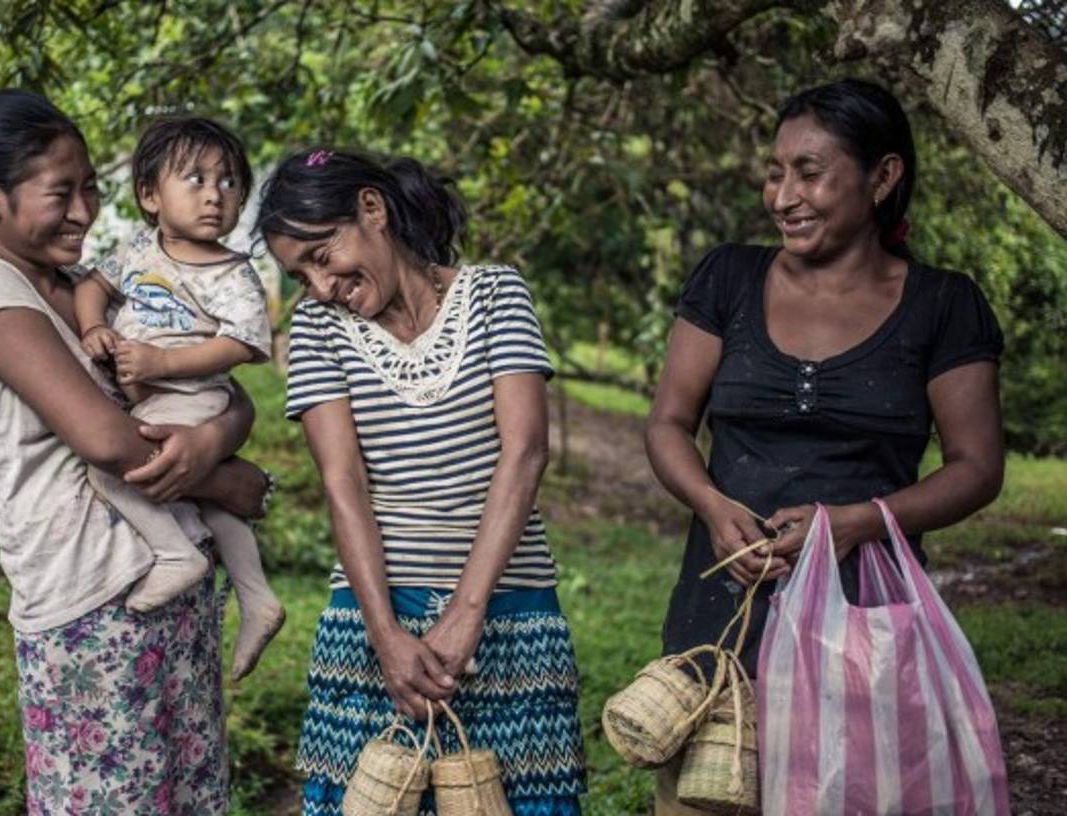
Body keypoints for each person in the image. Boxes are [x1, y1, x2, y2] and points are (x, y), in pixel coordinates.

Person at [0, 89, 270, 814]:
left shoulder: (84, 290)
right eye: (60, 193)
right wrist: (225, 476)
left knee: (188, 796)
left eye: (90, 190)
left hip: (172, 582)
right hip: (88, 604)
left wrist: (211, 439)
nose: (83, 211)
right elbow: (108, 440)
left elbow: (230, 396)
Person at [258, 149, 587, 815]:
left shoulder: (497, 293)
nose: (320, 286)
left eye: (322, 255)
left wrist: (467, 613)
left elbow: (523, 454)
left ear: (372, 211)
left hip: (509, 613)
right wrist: (385, 637)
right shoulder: (320, 330)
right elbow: (342, 482)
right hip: (376, 621)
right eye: (301, 273)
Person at [647, 78, 1004, 676]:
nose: (784, 197)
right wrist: (710, 504)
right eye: (774, 173)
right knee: (723, 770)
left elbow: (977, 468)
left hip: (865, 622)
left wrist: (858, 521)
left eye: (809, 173)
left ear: (883, 178)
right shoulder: (728, 278)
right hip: (721, 617)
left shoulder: (943, 305)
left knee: (849, 771)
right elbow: (668, 422)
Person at [74, 116, 284, 679]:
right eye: (194, 179)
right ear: (149, 195)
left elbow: (241, 343)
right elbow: (92, 287)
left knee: (110, 471)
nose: (214, 194)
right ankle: (257, 595)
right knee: (213, 501)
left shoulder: (233, 273)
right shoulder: (140, 249)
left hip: (194, 396)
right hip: (154, 397)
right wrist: (95, 327)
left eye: (229, 182)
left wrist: (164, 362)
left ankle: (176, 555)